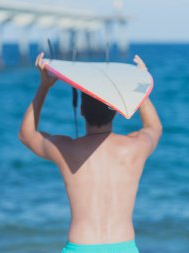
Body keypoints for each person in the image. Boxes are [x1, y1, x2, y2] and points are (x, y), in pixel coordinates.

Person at [18, 53, 162, 253]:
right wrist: (139, 85)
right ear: (116, 111)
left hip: (81, 247)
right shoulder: (134, 148)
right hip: (124, 247)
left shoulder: (67, 149)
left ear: (82, 111)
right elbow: (154, 128)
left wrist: (44, 86)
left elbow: (27, 135)